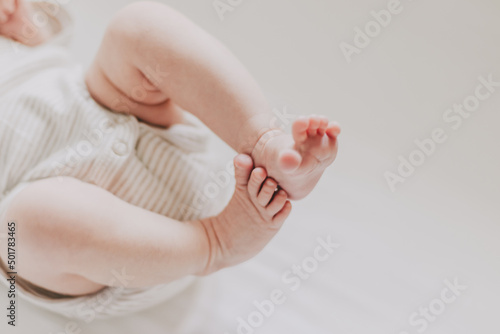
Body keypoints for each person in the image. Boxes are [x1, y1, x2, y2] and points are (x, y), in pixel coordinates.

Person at [0, 0, 340, 318]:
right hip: (117, 256)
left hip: (126, 117)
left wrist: (20, 19)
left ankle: (266, 142)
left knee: (135, 28)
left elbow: (45, 34)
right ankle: (216, 243)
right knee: (23, 225)